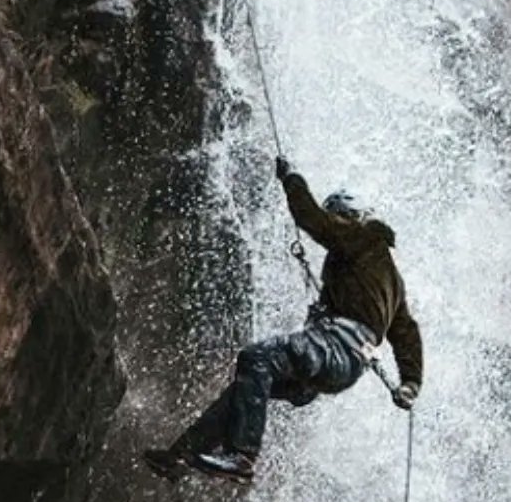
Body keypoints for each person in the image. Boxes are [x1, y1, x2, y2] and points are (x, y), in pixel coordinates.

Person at [144, 156, 423, 484]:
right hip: (341, 366)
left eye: (339, 218)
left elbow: (313, 220)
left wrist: (291, 178)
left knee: (256, 357)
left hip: (334, 349)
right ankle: (181, 455)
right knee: (247, 388)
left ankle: (243, 456)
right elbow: (406, 333)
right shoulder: (387, 277)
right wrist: (410, 383)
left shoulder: (364, 238)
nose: (337, 226)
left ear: (351, 216)